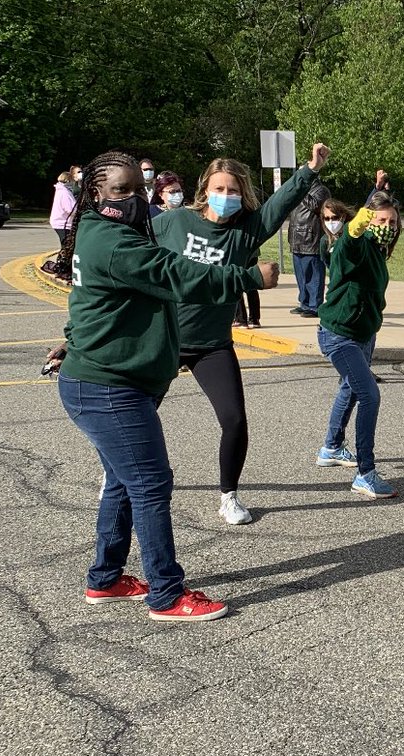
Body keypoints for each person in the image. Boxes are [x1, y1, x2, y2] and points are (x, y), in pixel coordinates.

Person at [49, 149, 278, 622]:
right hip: (110, 388)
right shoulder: (115, 242)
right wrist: (249, 276)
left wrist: (71, 341)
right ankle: (167, 594)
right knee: (151, 484)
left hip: (105, 379)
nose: (133, 198)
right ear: (95, 193)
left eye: (139, 189)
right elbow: (176, 274)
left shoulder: (105, 230)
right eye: (121, 190)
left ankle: (106, 579)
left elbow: (87, 305)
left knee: (123, 481)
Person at [152, 143, 331, 525]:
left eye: (233, 190)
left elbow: (280, 205)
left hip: (212, 344)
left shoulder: (246, 231)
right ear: (204, 190)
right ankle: (116, 474)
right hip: (164, 338)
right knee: (135, 415)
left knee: (234, 419)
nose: (226, 196)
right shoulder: (173, 223)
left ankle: (229, 496)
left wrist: (309, 169)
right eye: (219, 189)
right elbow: (132, 254)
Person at [315, 191, 400, 499]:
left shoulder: (378, 249)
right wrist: (355, 228)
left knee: (349, 388)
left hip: (363, 332)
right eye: (381, 220)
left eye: (391, 221)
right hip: (339, 335)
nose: (387, 225)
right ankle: (365, 473)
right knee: (369, 395)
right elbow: (346, 250)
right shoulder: (358, 243)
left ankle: (332, 447)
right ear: (367, 220)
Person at [287, 167, 331, 318]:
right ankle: (304, 303)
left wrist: (302, 190)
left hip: (310, 239)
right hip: (296, 237)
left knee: (313, 274)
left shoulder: (321, 190)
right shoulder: (299, 189)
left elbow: (316, 206)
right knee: (301, 275)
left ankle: (314, 305)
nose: (300, 177)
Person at [49, 170, 76, 245]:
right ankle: (64, 256)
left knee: (67, 244)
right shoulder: (64, 192)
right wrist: (79, 212)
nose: (73, 183)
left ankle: (65, 256)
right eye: (72, 181)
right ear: (68, 180)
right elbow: (70, 209)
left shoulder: (62, 190)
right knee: (67, 245)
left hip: (62, 222)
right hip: (63, 223)